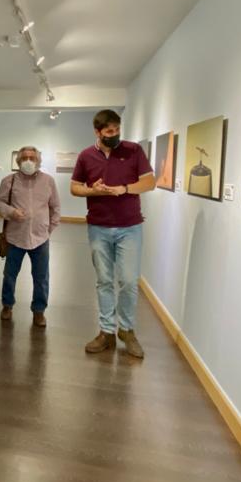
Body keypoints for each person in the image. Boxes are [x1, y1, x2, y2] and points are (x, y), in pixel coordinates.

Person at [71, 109, 156, 357]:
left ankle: (126, 330)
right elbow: (75, 188)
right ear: (97, 132)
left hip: (130, 227)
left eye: (117, 129)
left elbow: (149, 182)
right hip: (98, 227)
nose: (115, 134)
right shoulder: (86, 156)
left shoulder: (133, 150)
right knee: (104, 281)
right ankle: (107, 331)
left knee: (129, 281)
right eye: (109, 131)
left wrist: (124, 188)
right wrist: (93, 190)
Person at [0, 146, 61, 328]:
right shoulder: (9, 181)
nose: (28, 161)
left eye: (32, 158)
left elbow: (55, 207)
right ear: (18, 161)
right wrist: (11, 212)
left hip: (40, 238)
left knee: (41, 277)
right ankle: (7, 305)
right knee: (9, 275)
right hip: (15, 237)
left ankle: (39, 311)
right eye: (24, 158)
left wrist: (49, 229)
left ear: (39, 161)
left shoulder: (48, 181)